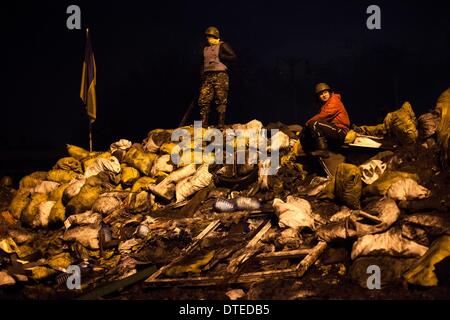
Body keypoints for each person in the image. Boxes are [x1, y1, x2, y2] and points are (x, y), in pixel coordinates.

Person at [198, 26, 237, 128]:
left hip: (220, 75)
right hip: (207, 75)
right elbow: (202, 62)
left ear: (215, 36)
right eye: (207, 36)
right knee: (203, 99)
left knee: (220, 99)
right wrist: (202, 72)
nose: (208, 38)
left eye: (210, 36)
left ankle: (220, 124)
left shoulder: (222, 45)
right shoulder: (205, 48)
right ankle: (203, 123)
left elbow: (233, 56)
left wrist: (222, 57)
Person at [305, 83, 350, 157]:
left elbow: (323, 116)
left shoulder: (334, 101)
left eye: (325, 92)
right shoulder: (325, 105)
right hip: (333, 129)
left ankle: (323, 150)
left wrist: (307, 123)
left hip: (340, 131)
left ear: (329, 92)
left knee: (314, 124)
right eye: (321, 94)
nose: (324, 95)